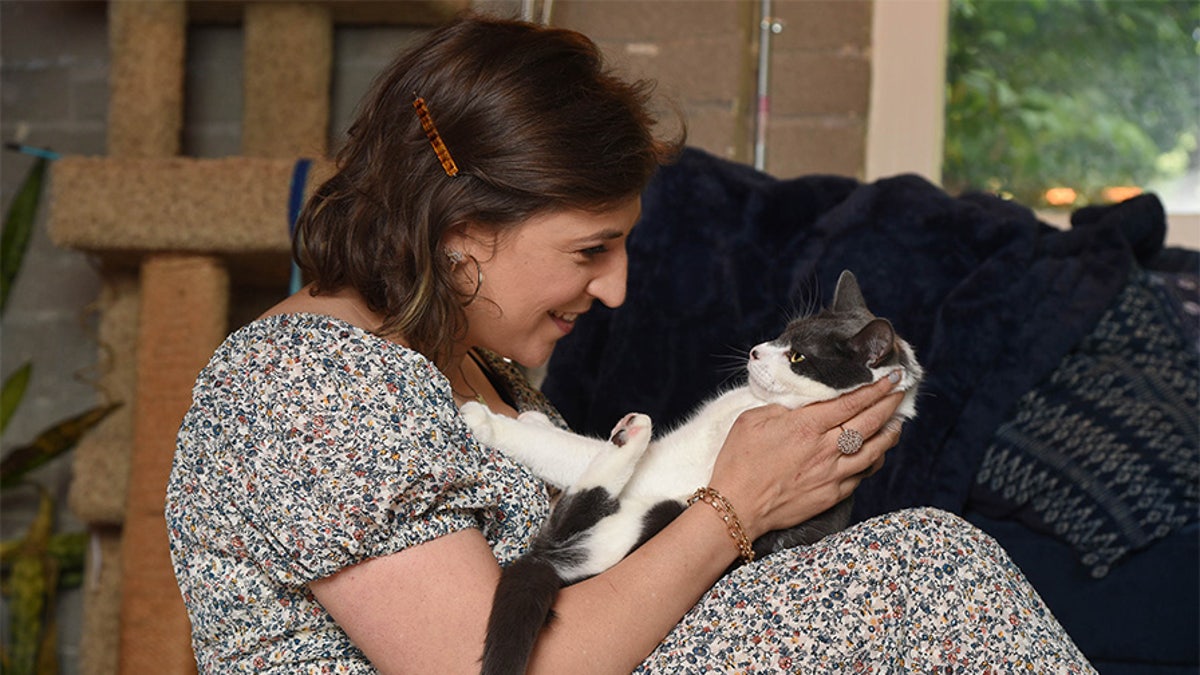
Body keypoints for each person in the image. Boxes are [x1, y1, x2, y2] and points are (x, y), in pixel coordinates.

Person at [165, 14, 1095, 674]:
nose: (615, 288)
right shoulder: (307, 380)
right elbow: (481, 666)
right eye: (589, 249)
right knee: (926, 569)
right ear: (462, 231)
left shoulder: (479, 375)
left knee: (925, 563)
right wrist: (735, 504)